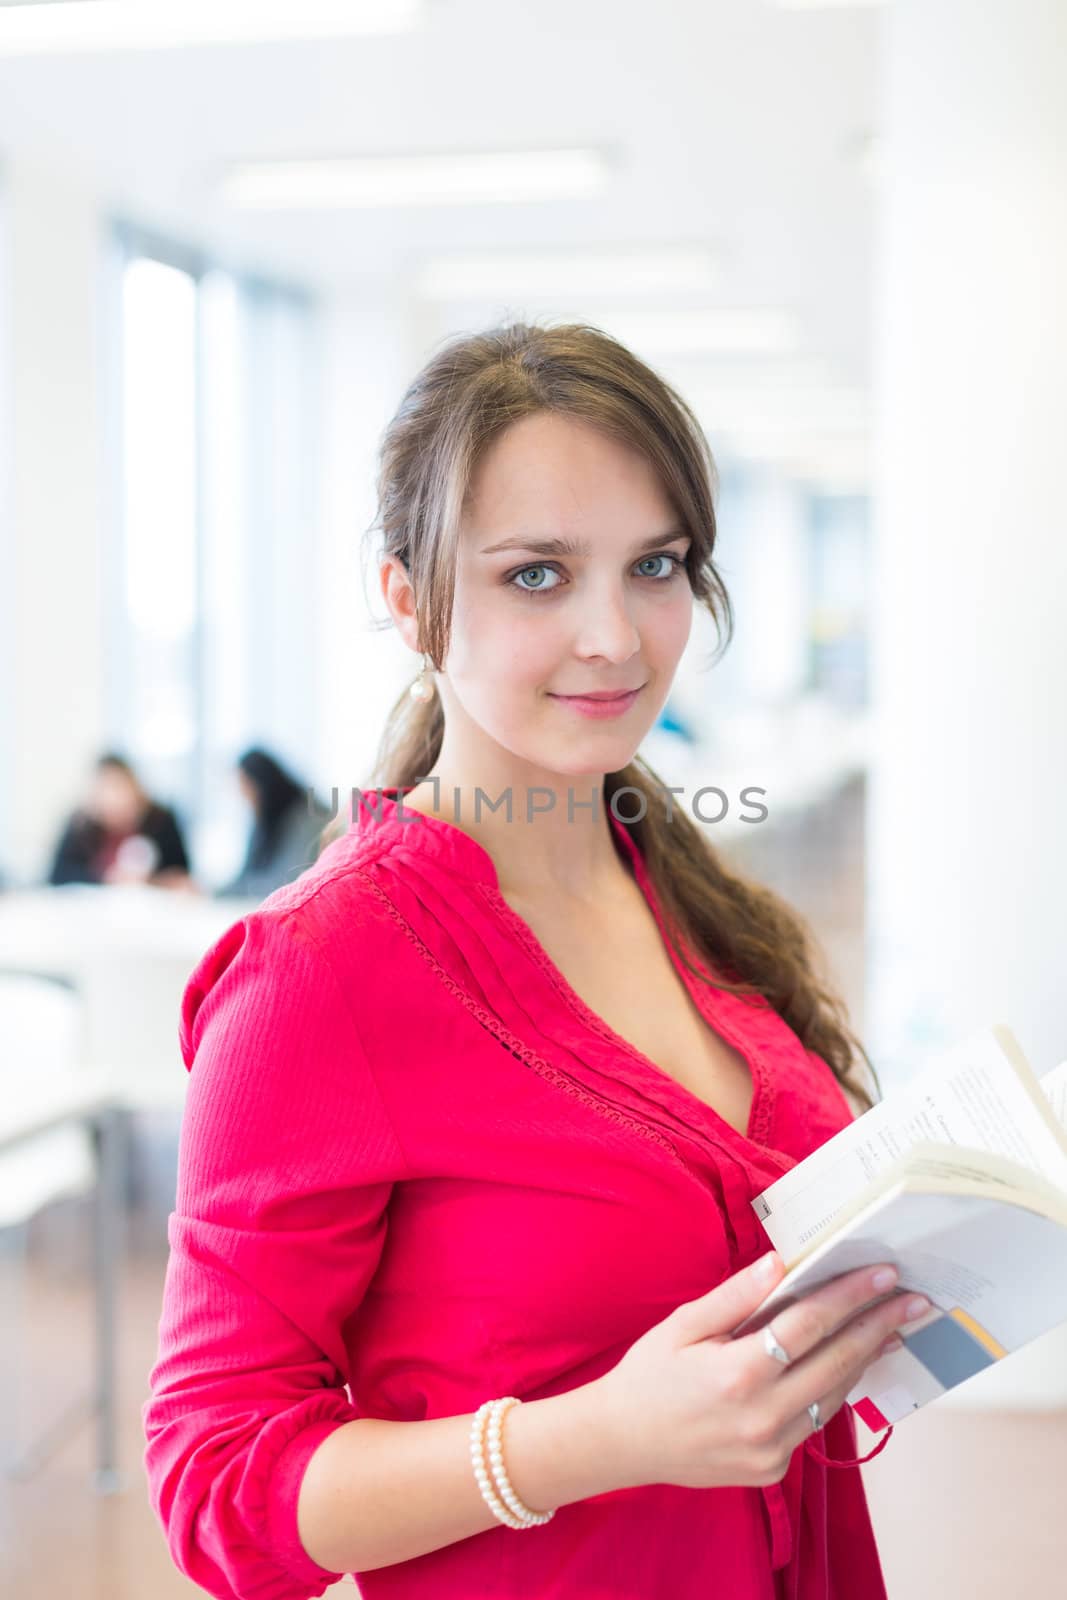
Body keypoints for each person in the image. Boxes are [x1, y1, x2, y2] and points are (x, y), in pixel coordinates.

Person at [143, 322, 922, 1600]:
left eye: (654, 565)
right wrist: (593, 1439)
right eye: (536, 575)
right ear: (407, 599)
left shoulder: (676, 883)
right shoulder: (319, 970)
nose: (615, 637)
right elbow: (213, 1483)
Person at [46, 751, 192, 889]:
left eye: (120, 787)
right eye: (107, 789)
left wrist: (151, 881)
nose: (115, 799)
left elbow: (181, 874)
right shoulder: (81, 825)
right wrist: (105, 878)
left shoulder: (161, 821)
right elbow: (58, 875)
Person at [214, 746, 332, 901]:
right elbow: (245, 877)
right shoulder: (266, 817)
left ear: (262, 784)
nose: (244, 798)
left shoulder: (311, 816)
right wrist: (212, 892)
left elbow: (290, 882)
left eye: (247, 788)